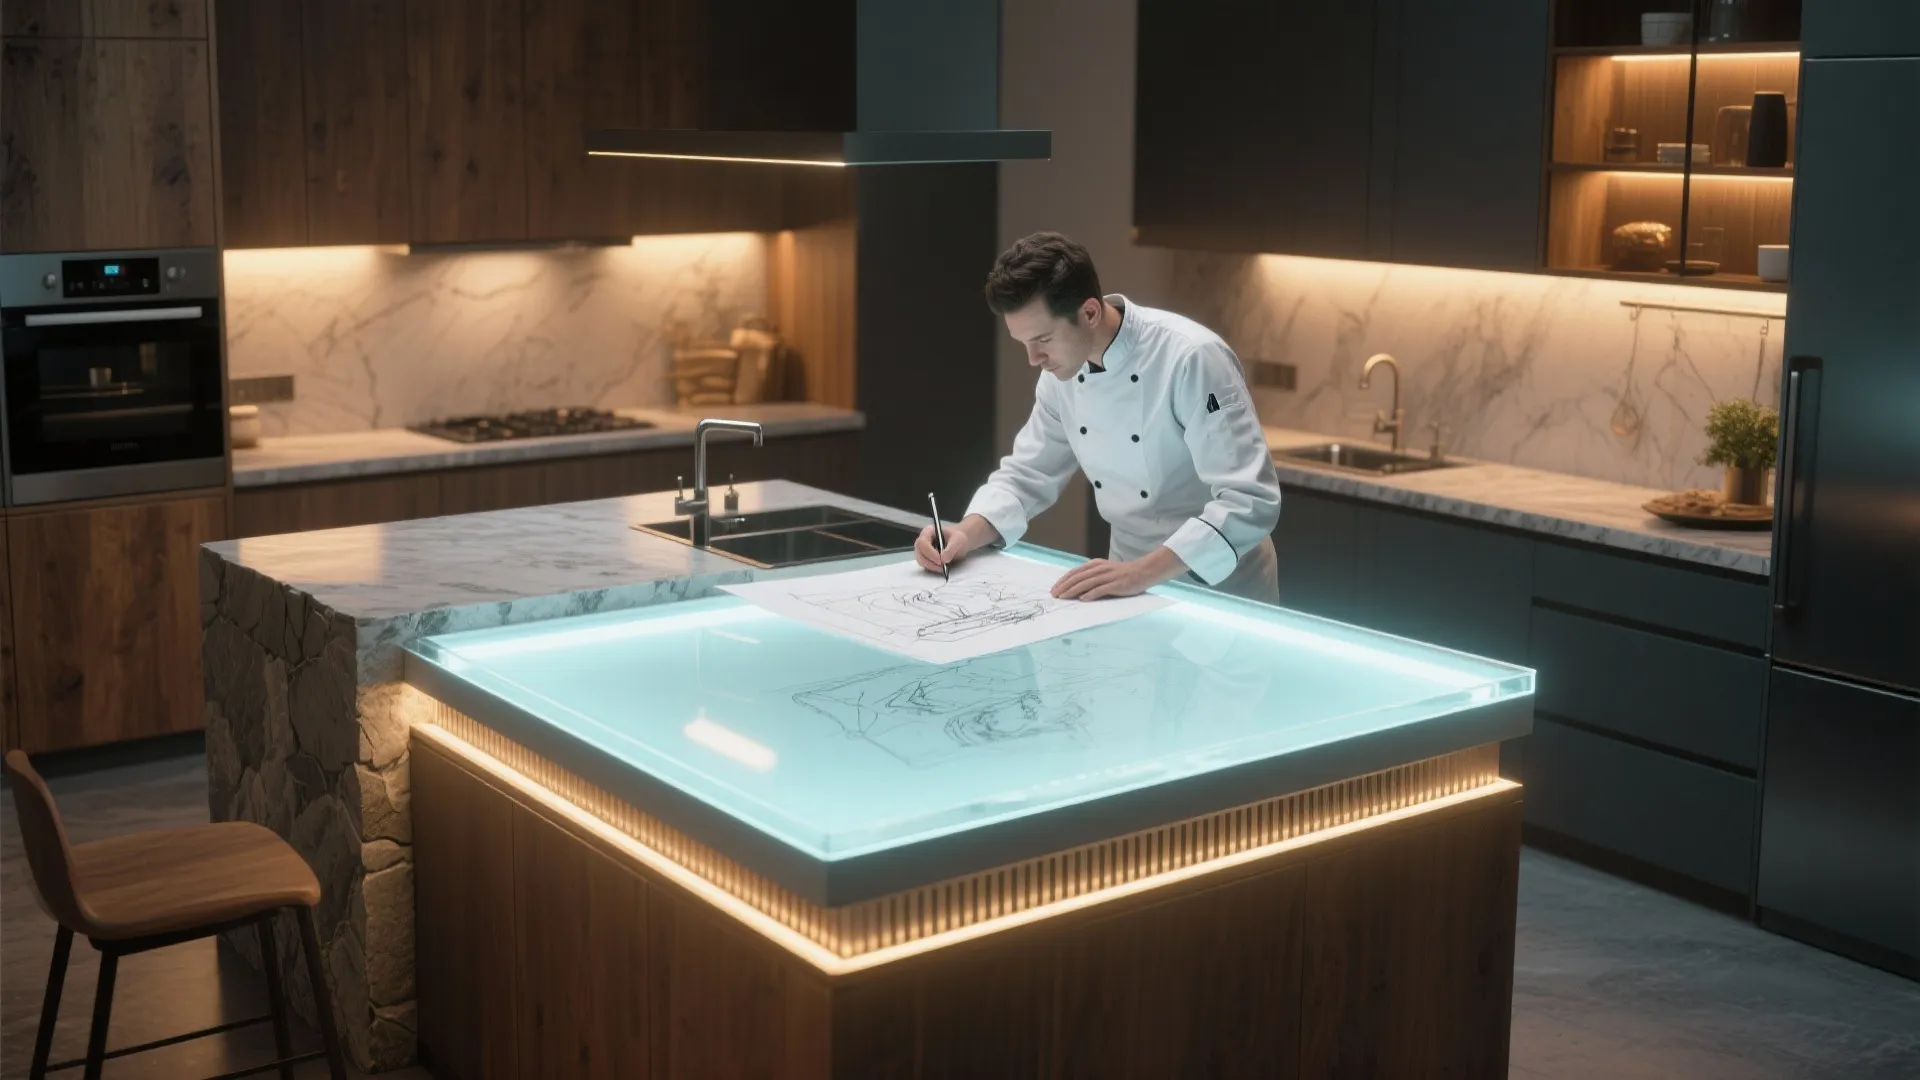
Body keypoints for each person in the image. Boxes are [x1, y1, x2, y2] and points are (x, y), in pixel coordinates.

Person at [915, 231, 1282, 604]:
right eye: (1022, 342)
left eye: (1042, 340)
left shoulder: (1191, 357)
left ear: (1089, 312)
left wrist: (1140, 573)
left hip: (1222, 587)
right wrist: (964, 533)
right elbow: (1027, 475)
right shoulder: (1061, 376)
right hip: (1122, 580)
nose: (1033, 359)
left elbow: (1249, 500)